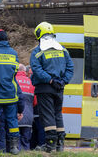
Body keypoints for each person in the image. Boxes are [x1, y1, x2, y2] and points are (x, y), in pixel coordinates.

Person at [30, 22, 74, 153]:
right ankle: (60, 144)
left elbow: (36, 69)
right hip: (59, 88)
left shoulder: (37, 52)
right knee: (57, 114)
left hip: (45, 88)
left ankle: (50, 145)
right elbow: (70, 68)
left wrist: (49, 80)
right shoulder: (63, 50)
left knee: (47, 115)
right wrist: (62, 81)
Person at [16, 64, 34, 150]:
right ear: (24, 71)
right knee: (26, 140)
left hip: (15, 116)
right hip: (29, 117)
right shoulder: (31, 82)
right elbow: (35, 101)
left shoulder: (13, 81)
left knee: (15, 141)